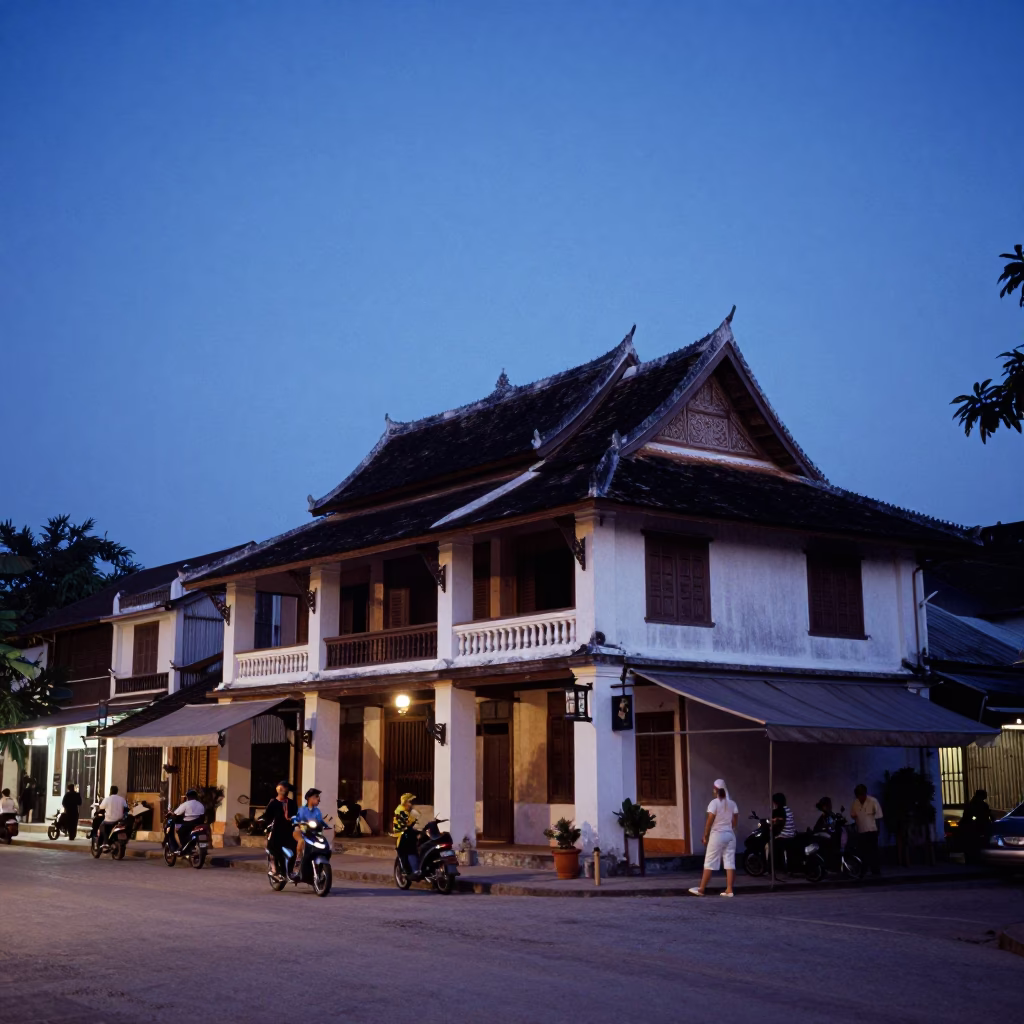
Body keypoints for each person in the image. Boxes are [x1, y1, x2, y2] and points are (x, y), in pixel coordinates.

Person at [689, 779, 739, 897]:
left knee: (709, 862)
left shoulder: (714, 803)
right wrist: (728, 828)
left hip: (717, 835)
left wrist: (705, 835)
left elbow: (709, 821)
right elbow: (735, 822)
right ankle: (729, 890)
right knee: (730, 862)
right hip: (730, 835)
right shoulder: (732, 803)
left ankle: (701, 889)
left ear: (716, 790)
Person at [260, 781, 298, 879]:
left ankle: (290, 871)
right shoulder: (273, 803)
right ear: (278, 789)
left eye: (286, 788)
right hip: (276, 830)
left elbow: (296, 815)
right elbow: (267, 816)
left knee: (294, 849)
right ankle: (275, 870)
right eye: (283, 788)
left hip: (289, 830)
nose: (284, 790)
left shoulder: (292, 803)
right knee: (273, 848)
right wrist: (262, 821)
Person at [850, 783, 883, 876]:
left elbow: (878, 817)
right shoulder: (855, 803)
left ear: (865, 793)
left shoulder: (873, 801)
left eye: (861, 794)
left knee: (873, 851)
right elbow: (853, 815)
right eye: (858, 795)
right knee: (863, 852)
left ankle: (875, 871)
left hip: (872, 830)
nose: (860, 797)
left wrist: (878, 830)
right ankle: (863, 870)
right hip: (861, 831)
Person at [293, 788, 324, 867]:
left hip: (313, 832)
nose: (319, 800)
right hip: (301, 831)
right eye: (316, 797)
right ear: (310, 798)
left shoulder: (317, 811)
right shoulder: (302, 810)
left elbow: (320, 821)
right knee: (301, 841)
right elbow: (297, 820)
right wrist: (298, 823)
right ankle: (298, 858)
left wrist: (325, 825)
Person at [392, 792, 421, 876]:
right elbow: (406, 824)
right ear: (405, 802)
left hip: (408, 834)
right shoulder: (401, 810)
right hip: (403, 836)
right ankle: (409, 870)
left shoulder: (407, 811)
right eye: (409, 802)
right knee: (407, 851)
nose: (411, 804)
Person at [960, 789, 992, 862]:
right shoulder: (981, 805)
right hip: (977, 827)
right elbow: (986, 815)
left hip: (973, 827)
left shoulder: (971, 804)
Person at [771, 792, 797, 871]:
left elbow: (776, 824)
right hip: (791, 835)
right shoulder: (788, 809)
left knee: (773, 846)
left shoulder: (778, 811)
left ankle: (774, 867)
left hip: (783, 836)